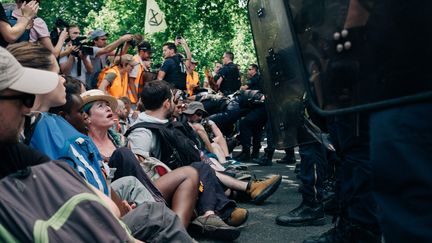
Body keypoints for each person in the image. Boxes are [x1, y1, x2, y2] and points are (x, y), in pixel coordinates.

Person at [0, 46, 146, 242]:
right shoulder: (42, 130)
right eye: (24, 98)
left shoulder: (12, 149)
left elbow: (101, 200)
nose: (28, 110)